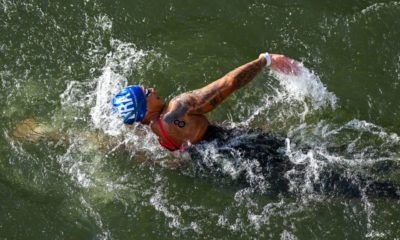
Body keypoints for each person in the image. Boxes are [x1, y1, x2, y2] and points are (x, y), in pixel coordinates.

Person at [111, 52, 300, 152]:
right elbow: (228, 83)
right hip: (236, 145)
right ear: (143, 109)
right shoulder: (177, 107)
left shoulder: (147, 134)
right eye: (145, 92)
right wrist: (265, 60)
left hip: (212, 163)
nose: (151, 90)